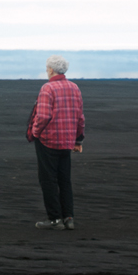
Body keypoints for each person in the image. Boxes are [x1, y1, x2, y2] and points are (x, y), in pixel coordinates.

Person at [27, 55, 84, 230]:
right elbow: (80, 117)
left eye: (47, 69)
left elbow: (43, 116)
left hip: (48, 141)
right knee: (64, 179)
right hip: (67, 141)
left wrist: (35, 133)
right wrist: (78, 140)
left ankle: (55, 219)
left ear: (51, 70)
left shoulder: (48, 88)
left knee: (48, 179)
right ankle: (68, 218)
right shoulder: (74, 88)